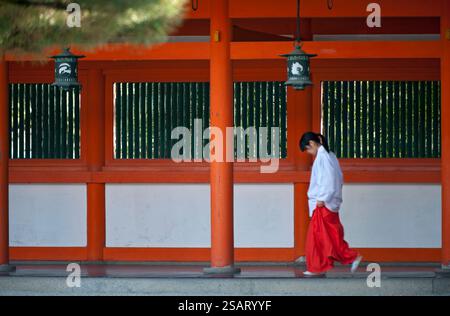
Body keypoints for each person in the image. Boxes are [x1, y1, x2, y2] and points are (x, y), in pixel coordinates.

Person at [299, 132, 363, 276]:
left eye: (307, 149)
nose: (309, 153)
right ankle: (323, 265)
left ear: (312, 144)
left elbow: (329, 179)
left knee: (318, 238)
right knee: (328, 236)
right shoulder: (329, 156)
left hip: (323, 203)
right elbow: (337, 178)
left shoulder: (324, 157)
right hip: (327, 202)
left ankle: (321, 266)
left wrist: (322, 198)